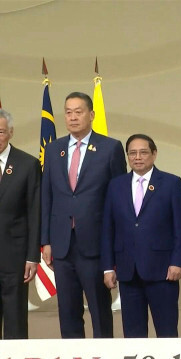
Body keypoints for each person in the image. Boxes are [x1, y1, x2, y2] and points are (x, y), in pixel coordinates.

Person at [41, 92, 126, 338]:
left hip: (95, 243)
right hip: (62, 244)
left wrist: (116, 246)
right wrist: (46, 240)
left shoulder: (110, 148)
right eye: (68, 112)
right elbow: (48, 196)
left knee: (99, 310)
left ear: (91, 115)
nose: (73, 117)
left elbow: (119, 200)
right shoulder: (54, 149)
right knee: (67, 311)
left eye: (79, 112)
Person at [101, 134, 181, 337]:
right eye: (132, 153)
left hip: (163, 271)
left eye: (143, 152)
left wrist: (178, 262)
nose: (137, 157)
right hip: (128, 271)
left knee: (166, 333)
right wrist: (107, 267)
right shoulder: (116, 185)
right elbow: (108, 229)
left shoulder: (171, 183)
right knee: (133, 335)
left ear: (154, 154)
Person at [0, 109, 40, 339]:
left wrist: (32, 256)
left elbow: (34, 212)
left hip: (15, 257)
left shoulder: (27, 164)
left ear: (11, 133)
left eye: (1, 132)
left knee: (15, 321)